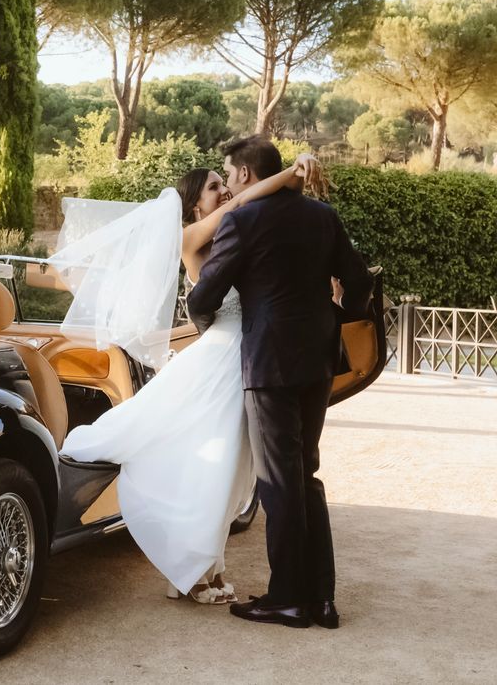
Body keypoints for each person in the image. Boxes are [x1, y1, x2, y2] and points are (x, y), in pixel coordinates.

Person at [52, 147, 323, 606]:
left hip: (245, 359)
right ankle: (194, 573)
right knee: (212, 468)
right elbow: (242, 203)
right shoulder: (190, 237)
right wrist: (291, 174)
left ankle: (208, 571)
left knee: (230, 470)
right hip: (221, 361)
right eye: (213, 187)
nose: (224, 192)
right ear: (194, 204)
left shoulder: (235, 236)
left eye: (224, 183)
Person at [188, 136, 372, 629]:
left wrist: (212, 337)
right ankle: (323, 598)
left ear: (246, 174)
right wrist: (341, 318)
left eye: (229, 175)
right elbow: (359, 281)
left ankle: (288, 597)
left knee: (278, 480)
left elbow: (204, 295)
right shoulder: (323, 216)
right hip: (318, 361)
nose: (228, 184)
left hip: (267, 364)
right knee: (306, 471)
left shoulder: (241, 221)